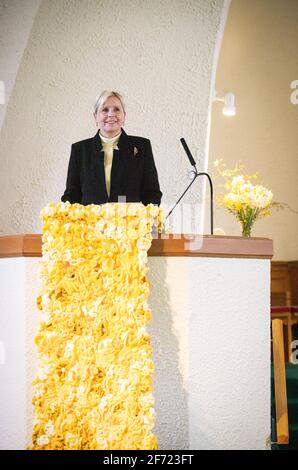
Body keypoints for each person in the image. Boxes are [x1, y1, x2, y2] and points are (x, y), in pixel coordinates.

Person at [61, 90, 162, 206]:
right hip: (91, 223)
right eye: (105, 110)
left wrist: (150, 221)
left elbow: (152, 194)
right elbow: (71, 195)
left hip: (129, 222)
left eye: (117, 109)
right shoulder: (79, 150)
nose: (111, 114)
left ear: (124, 116)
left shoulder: (142, 146)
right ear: (95, 117)